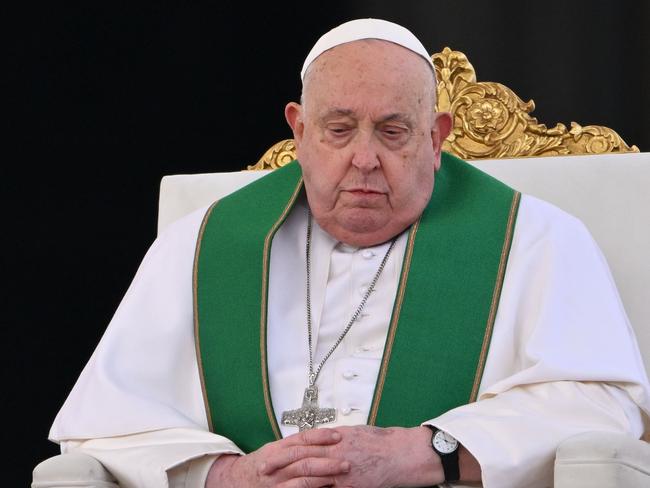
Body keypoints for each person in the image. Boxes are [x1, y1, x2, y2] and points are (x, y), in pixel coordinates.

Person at [46, 18, 649, 488]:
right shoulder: (203, 246)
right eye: (338, 130)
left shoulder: (535, 238)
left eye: (393, 132)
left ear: (436, 138)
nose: (364, 159)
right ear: (299, 131)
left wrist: (430, 450)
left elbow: (606, 408)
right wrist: (229, 475)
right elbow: (106, 422)